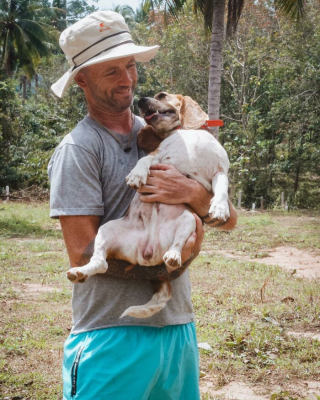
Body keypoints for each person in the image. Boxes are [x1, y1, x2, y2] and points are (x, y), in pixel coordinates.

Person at [48, 11, 237, 400]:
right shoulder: (78, 149)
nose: (128, 79)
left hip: (177, 325)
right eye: (111, 70)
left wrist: (195, 195)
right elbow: (80, 250)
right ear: (81, 78)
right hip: (110, 333)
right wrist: (178, 260)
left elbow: (230, 219)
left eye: (131, 66)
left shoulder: (173, 134)